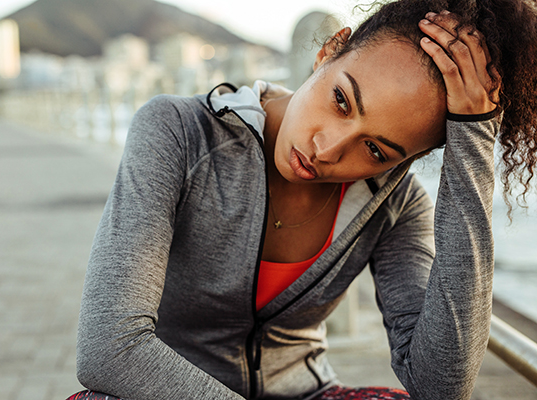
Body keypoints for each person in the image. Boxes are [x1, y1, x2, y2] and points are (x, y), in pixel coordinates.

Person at [68, 0, 537, 398]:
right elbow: (110, 347)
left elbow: (440, 385)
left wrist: (472, 141)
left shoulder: (396, 206)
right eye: (340, 100)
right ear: (329, 51)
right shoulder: (178, 131)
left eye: (376, 149)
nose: (327, 149)